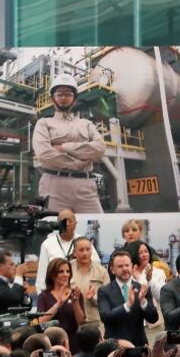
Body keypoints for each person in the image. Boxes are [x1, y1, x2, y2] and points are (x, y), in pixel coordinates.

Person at [31, 73, 105, 213]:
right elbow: (44, 154)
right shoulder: (44, 123)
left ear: (74, 99)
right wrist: (78, 162)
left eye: (68, 94)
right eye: (59, 94)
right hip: (53, 187)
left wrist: (64, 147)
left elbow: (100, 149)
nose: (63, 97)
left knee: (97, 229)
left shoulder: (86, 123)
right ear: (53, 99)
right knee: (54, 232)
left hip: (86, 188)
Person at [97, 250, 157, 345]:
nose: (124, 269)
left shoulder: (142, 289)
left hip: (139, 346)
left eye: (127, 265)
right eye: (120, 266)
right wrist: (127, 305)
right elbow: (105, 317)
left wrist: (143, 302)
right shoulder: (104, 291)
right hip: (115, 347)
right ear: (112, 270)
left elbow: (153, 318)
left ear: (132, 266)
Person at [36, 210, 98, 292]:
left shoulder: (84, 242)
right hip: (55, 294)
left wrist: (79, 259)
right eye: (63, 221)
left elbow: (97, 263)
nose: (67, 224)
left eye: (70, 221)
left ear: (75, 224)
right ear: (57, 224)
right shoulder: (47, 244)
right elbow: (42, 276)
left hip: (80, 291)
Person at [34, 259, 84, 352]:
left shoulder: (75, 293)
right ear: (52, 275)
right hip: (50, 342)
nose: (66, 274)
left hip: (72, 342)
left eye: (68, 271)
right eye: (61, 271)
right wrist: (58, 304)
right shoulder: (44, 296)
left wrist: (75, 303)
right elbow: (40, 321)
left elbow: (80, 322)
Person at [125, 240, 166, 340]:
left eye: (146, 251)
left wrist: (150, 279)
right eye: (140, 253)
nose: (144, 255)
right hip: (132, 325)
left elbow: (162, 297)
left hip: (153, 325)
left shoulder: (159, 273)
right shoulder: (126, 273)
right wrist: (138, 277)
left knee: (154, 353)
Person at [68, 237, 109, 329]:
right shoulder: (67, 269)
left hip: (96, 323)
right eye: (81, 250)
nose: (85, 253)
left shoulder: (101, 271)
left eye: (88, 249)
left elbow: (108, 301)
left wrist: (93, 299)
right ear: (74, 253)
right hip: (72, 322)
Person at [0, 251, 31, 316]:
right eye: (11, 264)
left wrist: (24, 293)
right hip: (0, 325)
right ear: (0, 266)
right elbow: (13, 297)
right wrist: (19, 274)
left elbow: (27, 308)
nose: (14, 267)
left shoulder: (6, 283)